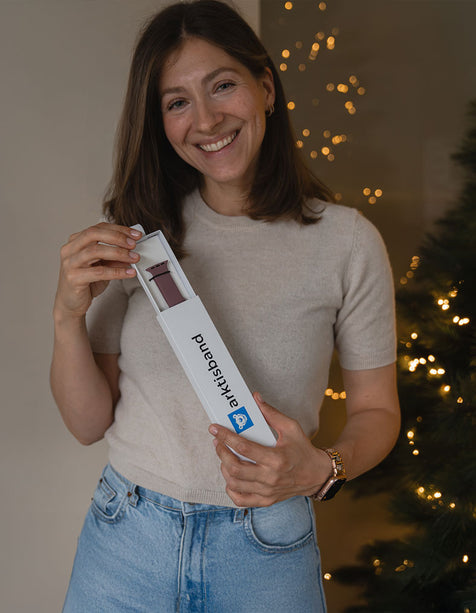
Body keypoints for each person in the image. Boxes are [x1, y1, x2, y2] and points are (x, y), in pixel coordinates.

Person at [51, 1, 400, 611]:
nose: (207, 119)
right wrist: (66, 316)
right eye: (177, 102)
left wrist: (324, 468)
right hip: (127, 540)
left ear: (265, 87)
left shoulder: (348, 243)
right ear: (160, 123)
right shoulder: (140, 239)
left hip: (267, 551)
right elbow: (87, 424)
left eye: (223, 85)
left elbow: (377, 411)